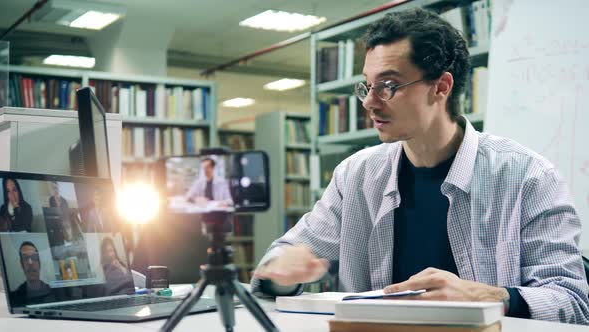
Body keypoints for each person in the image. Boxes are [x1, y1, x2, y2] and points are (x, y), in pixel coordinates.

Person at [252, 8, 589, 324]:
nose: (369, 102)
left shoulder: (528, 176)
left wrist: (490, 297)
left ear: (441, 87)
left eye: (388, 86)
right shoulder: (354, 177)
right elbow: (277, 266)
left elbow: (572, 301)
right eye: (367, 86)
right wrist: (281, 273)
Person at [9, 241, 55, 306]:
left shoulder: (54, 292)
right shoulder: (14, 297)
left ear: (39, 263)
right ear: (21, 265)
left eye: (34, 257)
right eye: (25, 258)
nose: (30, 263)